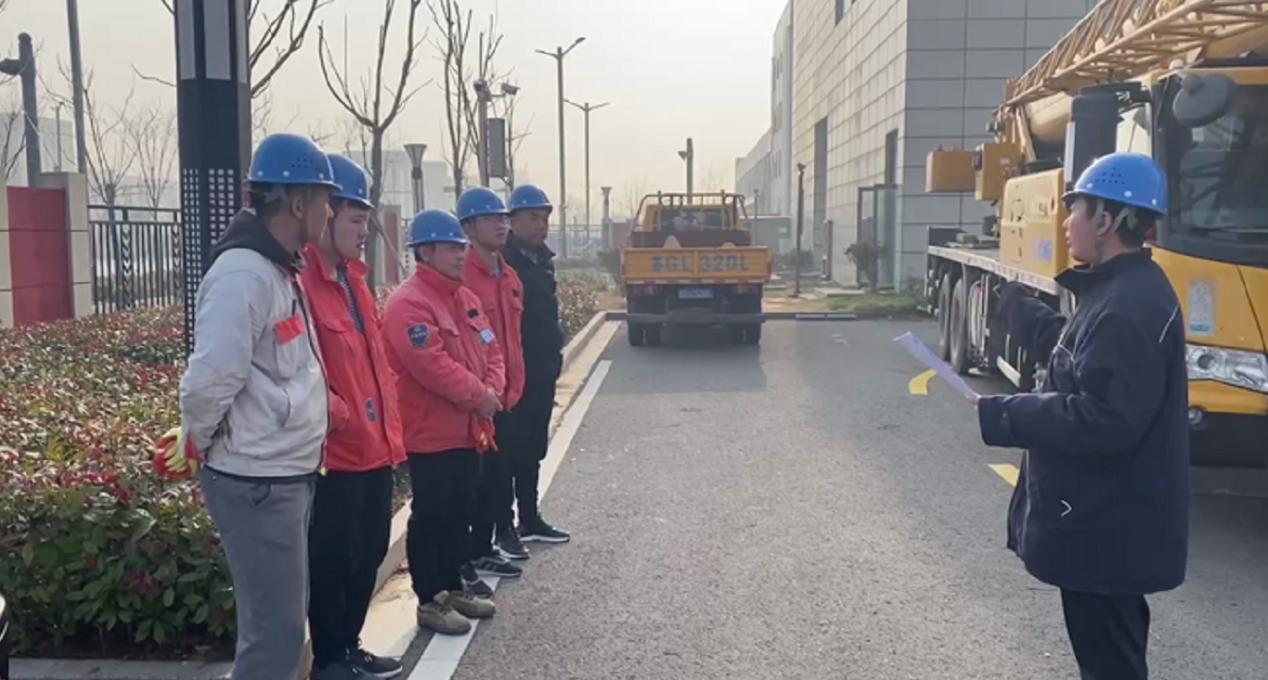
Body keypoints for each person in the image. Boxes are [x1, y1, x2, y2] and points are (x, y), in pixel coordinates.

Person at [974, 152, 1189, 680]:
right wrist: (1024, 314)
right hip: (1108, 529)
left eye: (1075, 208)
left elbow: (1104, 417)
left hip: (1107, 532)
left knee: (1110, 666)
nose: (1066, 221)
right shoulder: (1119, 291)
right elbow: (1081, 362)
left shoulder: (1128, 307)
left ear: (1106, 220)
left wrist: (1007, 414)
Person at [179, 133, 335, 680]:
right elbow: (211, 380)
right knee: (274, 638)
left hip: (281, 475)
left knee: (283, 631)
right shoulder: (243, 275)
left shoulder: (277, 269)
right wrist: (200, 441)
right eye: (325, 200)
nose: (329, 212)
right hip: (256, 480)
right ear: (298, 203)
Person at [301, 154, 406, 680]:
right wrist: (339, 415)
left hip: (376, 447)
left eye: (367, 220)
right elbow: (298, 371)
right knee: (333, 559)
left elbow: (375, 364)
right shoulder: (301, 283)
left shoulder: (354, 282)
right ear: (324, 214)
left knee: (368, 551)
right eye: (355, 219)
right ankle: (329, 658)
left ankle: (349, 645)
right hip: (337, 454)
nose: (365, 231)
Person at [382, 209, 504, 636]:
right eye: (450, 247)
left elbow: (491, 348)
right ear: (425, 252)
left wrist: (493, 387)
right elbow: (431, 366)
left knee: (460, 509)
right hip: (430, 433)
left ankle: (453, 586)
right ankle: (430, 598)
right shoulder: (409, 304)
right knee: (431, 513)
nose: (459, 254)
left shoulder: (465, 298)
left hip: (470, 430)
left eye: (460, 247)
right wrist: (481, 395)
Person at [457, 187, 528, 587]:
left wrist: (511, 385)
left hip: (508, 394)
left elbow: (510, 339)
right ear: (469, 228)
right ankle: (468, 553)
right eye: (491, 219)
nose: (501, 225)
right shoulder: (462, 277)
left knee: (500, 476)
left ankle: (485, 546)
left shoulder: (510, 275)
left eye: (503, 218)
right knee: (478, 482)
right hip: (480, 398)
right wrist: (484, 391)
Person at [500, 184, 571, 545]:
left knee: (532, 450)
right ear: (512, 221)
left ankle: (529, 517)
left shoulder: (542, 260)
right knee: (508, 453)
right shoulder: (503, 263)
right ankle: (503, 526)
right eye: (532, 218)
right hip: (513, 375)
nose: (540, 225)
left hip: (542, 372)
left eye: (544, 218)